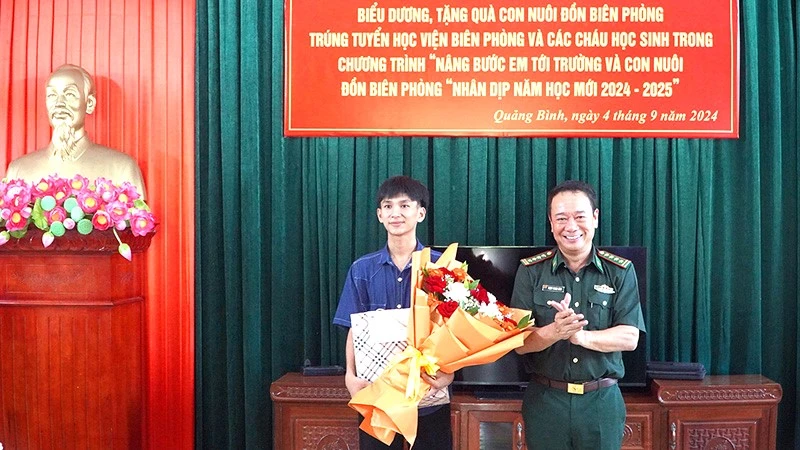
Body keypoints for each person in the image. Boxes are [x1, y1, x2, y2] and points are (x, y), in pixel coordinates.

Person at [511, 180, 646, 450]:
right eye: (561, 218)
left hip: (601, 402)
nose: (571, 226)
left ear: (595, 218)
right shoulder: (531, 271)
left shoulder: (620, 271)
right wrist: (554, 332)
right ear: (551, 223)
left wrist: (581, 337)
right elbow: (519, 343)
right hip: (546, 402)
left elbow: (629, 337)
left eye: (580, 217)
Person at [333, 175, 453, 450]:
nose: (395, 213)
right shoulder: (362, 269)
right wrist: (350, 376)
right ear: (379, 215)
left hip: (428, 396)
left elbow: (453, 331)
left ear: (420, 212)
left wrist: (449, 375)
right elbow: (354, 327)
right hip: (378, 396)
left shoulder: (442, 266)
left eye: (404, 205)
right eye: (387, 206)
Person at [3, 64, 147, 198]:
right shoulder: (18, 170)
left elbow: (139, 221)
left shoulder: (122, 168)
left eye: (70, 94)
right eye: (52, 95)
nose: (59, 104)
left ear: (89, 103)